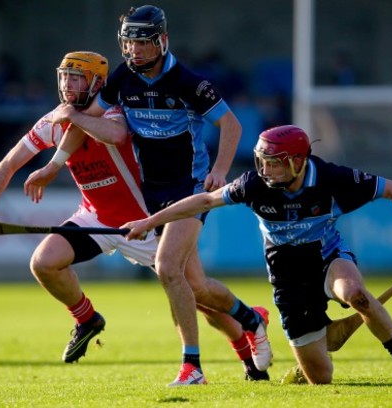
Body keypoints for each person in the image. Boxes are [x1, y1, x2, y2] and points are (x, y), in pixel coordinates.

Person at [0, 50, 271, 381]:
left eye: (76, 77)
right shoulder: (55, 121)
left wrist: (69, 117)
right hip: (97, 218)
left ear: (97, 82)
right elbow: (8, 164)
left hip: (147, 218)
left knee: (197, 297)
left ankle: (248, 351)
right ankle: (87, 319)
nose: (67, 84)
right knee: (44, 262)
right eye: (63, 76)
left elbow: (111, 134)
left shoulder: (115, 111)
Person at [46, 5, 272, 386]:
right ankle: (252, 318)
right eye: (128, 43)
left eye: (141, 43)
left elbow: (230, 125)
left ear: (162, 42)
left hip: (190, 189)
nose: (133, 51)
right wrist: (60, 149)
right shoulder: (122, 79)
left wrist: (219, 170)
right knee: (195, 286)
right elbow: (91, 121)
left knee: (168, 269)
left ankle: (192, 367)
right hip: (151, 195)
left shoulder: (189, 82)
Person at [121, 125, 392, 387]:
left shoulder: (331, 178)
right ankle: (315, 351)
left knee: (357, 295)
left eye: (275, 162)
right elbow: (204, 200)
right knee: (321, 378)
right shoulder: (254, 184)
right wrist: (150, 222)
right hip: (287, 278)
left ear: (299, 162)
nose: (266, 169)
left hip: (327, 257)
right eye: (263, 161)